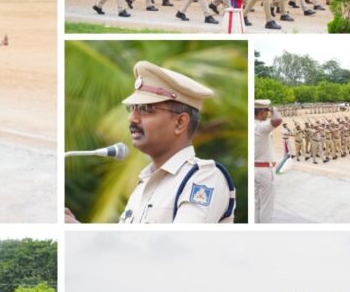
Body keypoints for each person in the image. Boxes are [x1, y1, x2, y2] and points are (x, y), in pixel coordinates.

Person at [64, 61, 235, 224]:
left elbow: (179, 247)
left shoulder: (203, 178)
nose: (132, 118)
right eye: (132, 108)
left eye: (146, 109)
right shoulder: (143, 184)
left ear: (180, 123)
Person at [254, 99, 283, 223]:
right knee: (267, 208)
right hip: (264, 171)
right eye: (267, 110)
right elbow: (277, 120)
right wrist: (275, 110)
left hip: (254, 169)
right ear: (261, 112)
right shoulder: (261, 127)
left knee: (256, 206)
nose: (267, 113)